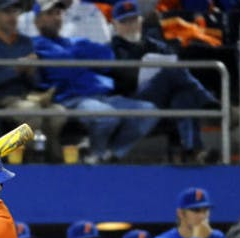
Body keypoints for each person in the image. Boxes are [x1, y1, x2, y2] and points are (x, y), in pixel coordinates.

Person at [32, 0, 157, 164]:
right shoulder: (35, 45)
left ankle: (110, 154)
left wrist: (74, 55)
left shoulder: (75, 42)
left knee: (149, 111)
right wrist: (82, 58)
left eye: (58, 13)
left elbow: (107, 57)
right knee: (107, 116)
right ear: (37, 20)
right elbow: (64, 70)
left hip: (102, 96)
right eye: (49, 14)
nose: (56, 18)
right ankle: (97, 154)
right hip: (71, 99)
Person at [109, 0, 220, 164]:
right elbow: (119, 81)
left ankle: (193, 151)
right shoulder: (110, 49)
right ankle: (207, 100)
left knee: (183, 97)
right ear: (115, 25)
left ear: (141, 21)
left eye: (133, 20)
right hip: (133, 102)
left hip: (163, 102)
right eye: (125, 21)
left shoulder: (156, 45)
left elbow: (174, 64)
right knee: (170, 72)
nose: (130, 25)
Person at [0, 0, 67, 163]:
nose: (12, 17)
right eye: (7, 12)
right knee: (32, 113)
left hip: (26, 96)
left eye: (15, 12)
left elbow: (34, 81)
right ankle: (28, 161)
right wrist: (15, 70)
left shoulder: (25, 41)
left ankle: (53, 161)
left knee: (58, 113)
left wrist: (31, 72)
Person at [18, 0, 112, 44]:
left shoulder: (91, 12)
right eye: (50, 13)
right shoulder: (24, 20)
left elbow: (104, 49)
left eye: (58, 13)